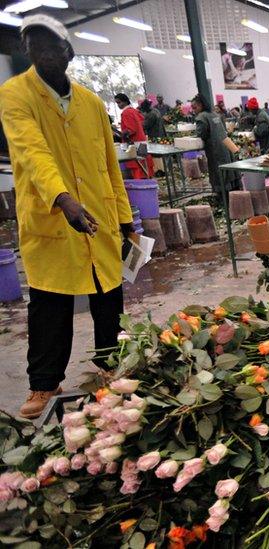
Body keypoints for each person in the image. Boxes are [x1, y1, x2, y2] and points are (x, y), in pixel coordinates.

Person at [0, 15, 134, 418]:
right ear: (27, 52)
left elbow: (111, 165)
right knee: (50, 304)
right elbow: (31, 150)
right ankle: (43, 384)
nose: (41, 53)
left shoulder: (91, 103)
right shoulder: (16, 94)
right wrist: (62, 198)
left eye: (50, 46)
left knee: (109, 297)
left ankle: (109, 366)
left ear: (68, 52)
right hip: (51, 219)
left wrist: (126, 219)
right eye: (33, 46)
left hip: (100, 215)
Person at [191, 94, 240, 199]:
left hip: (215, 149)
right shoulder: (214, 114)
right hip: (226, 145)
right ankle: (231, 195)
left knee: (217, 171)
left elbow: (201, 134)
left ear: (201, 106)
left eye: (195, 108)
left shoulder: (201, 117)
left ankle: (223, 197)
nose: (193, 110)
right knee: (228, 169)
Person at [114, 93, 153, 179]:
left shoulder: (126, 113)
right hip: (142, 142)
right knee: (145, 166)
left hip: (134, 144)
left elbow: (131, 130)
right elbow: (141, 122)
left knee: (137, 168)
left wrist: (122, 134)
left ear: (125, 101)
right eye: (117, 103)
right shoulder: (134, 110)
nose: (118, 105)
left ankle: (140, 188)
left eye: (119, 102)